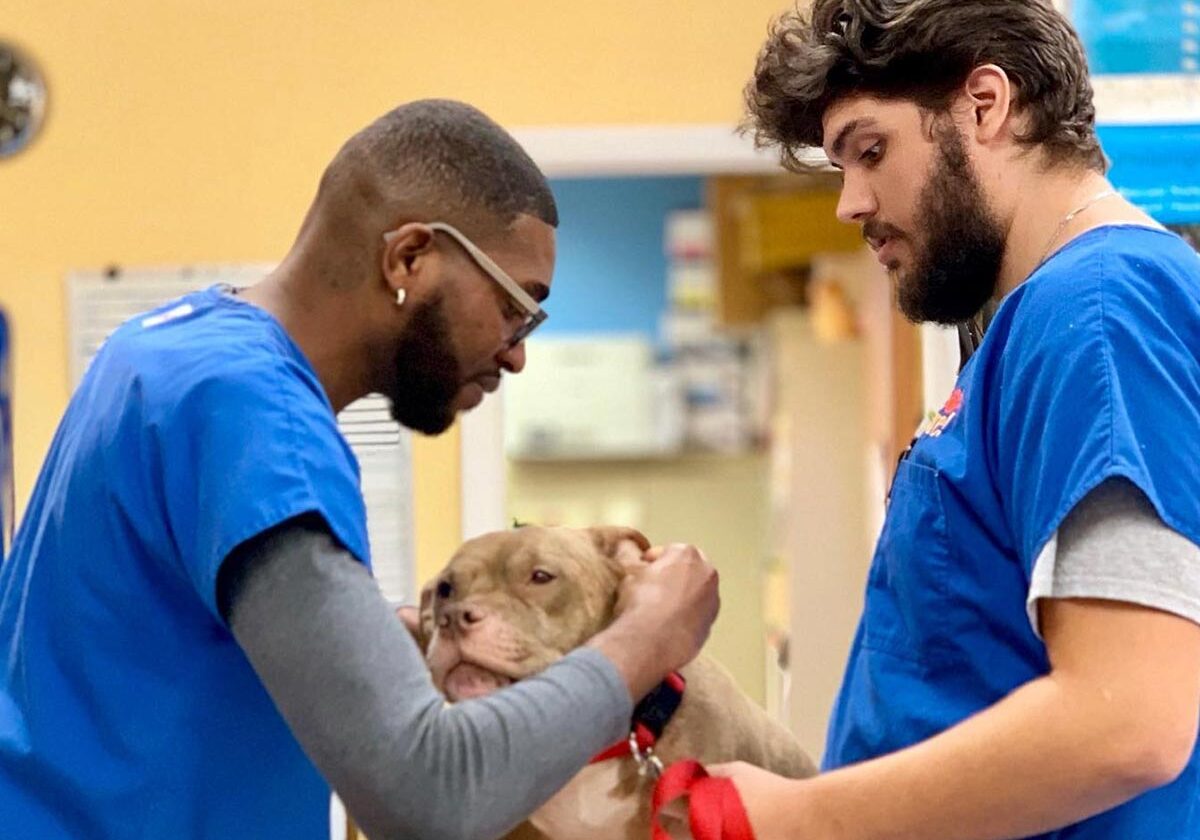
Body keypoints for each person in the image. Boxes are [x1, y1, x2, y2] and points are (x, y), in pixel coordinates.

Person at [0, 99, 720, 839]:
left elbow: (135, 655)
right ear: (409, 258)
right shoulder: (259, 416)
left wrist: (361, 648)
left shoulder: (159, 348)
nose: (516, 353)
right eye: (516, 308)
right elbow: (430, 795)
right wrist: (647, 638)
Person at [709, 2, 1200, 838]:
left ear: (985, 105)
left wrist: (803, 821)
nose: (850, 205)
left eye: (871, 151)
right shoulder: (1038, 321)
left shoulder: (1100, 307)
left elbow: (1131, 723)